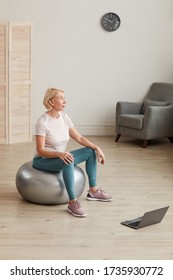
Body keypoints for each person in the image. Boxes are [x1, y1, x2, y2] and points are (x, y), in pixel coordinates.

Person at [32, 88, 113, 217]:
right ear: (51, 102)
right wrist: (59, 154)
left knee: (90, 151)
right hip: (42, 160)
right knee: (68, 159)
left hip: (61, 157)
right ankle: (72, 202)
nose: (64, 101)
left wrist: (97, 148)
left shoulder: (64, 118)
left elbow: (80, 138)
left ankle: (93, 191)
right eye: (60, 98)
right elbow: (41, 150)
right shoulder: (42, 122)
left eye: (64, 97)